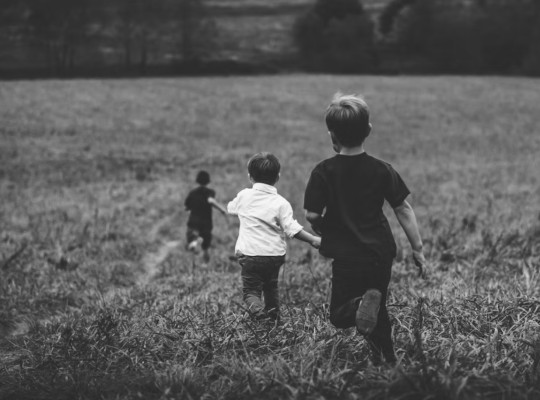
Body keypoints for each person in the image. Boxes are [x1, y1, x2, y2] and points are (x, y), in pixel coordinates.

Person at [303, 93, 427, 365]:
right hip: (380, 253)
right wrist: (417, 248)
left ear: (331, 134)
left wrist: (321, 226)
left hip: (346, 255)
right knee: (376, 308)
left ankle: (360, 306)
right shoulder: (382, 169)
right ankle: (387, 360)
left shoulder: (323, 171)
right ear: (368, 130)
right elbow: (403, 208)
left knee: (340, 314)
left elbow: (312, 213)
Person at [228, 152, 321, 321]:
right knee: (271, 288)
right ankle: (274, 319)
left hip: (250, 255)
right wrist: (313, 239)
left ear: (250, 176)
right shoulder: (281, 203)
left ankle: (259, 314)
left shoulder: (243, 196)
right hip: (274, 256)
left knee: (251, 292)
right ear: (278, 177)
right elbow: (291, 228)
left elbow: (231, 208)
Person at [185, 170, 227, 262]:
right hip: (206, 222)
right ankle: (205, 261)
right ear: (208, 181)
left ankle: (195, 242)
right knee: (206, 245)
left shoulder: (192, 193)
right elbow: (211, 201)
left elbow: (187, 208)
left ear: (197, 180)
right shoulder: (210, 191)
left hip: (193, 221)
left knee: (191, 238)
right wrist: (222, 210)